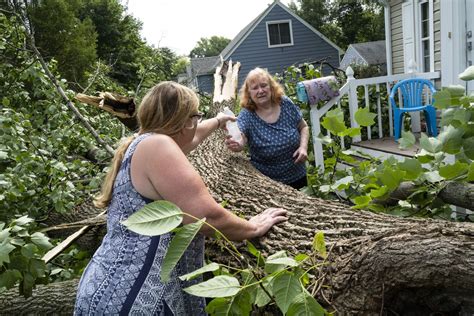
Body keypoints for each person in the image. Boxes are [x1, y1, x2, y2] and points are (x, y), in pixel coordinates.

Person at [74, 82, 287, 315]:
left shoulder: (142, 143)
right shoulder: (157, 146)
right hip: (132, 297)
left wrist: (218, 121)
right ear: (184, 121)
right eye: (195, 116)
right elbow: (207, 217)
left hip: (109, 288)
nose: (197, 122)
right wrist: (252, 227)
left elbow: (191, 139)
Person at [225, 68, 310, 189]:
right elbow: (241, 137)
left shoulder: (285, 103)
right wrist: (237, 144)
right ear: (249, 93)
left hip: (298, 176)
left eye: (264, 85)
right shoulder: (247, 114)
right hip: (268, 184)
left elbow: (304, 127)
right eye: (255, 88)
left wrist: (303, 147)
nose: (260, 91)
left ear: (271, 87)